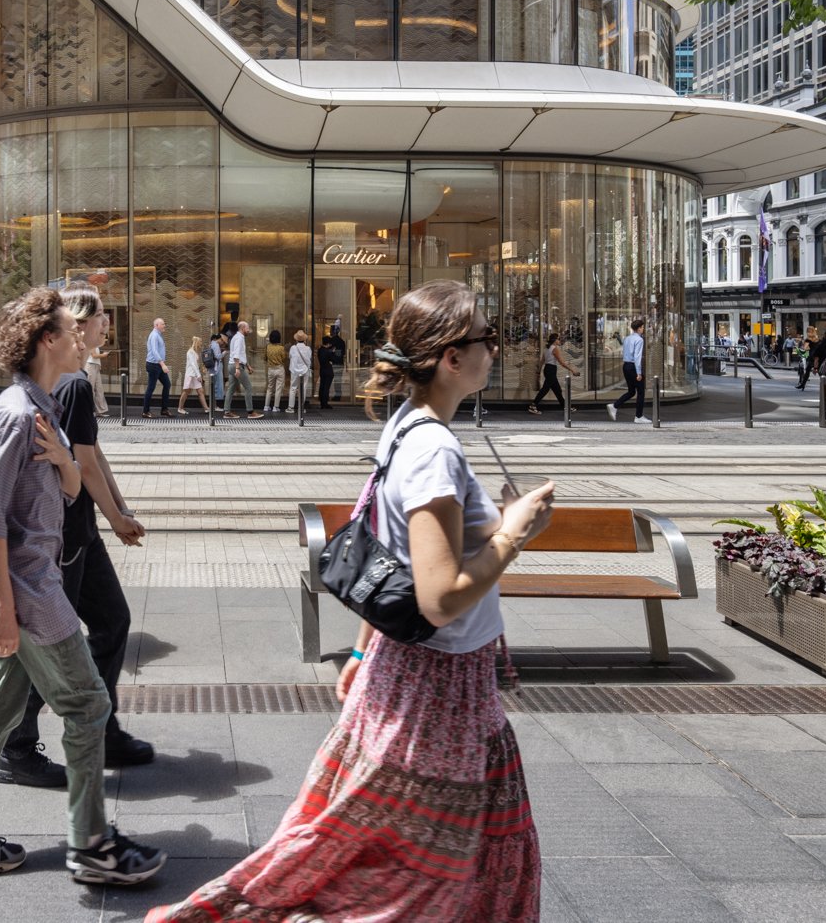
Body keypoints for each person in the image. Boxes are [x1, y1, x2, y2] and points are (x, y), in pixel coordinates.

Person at [147, 281, 552, 923]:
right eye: (487, 338)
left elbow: (385, 552)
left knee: (426, 866)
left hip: (426, 680)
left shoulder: (409, 428)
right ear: (451, 356)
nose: (495, 349)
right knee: (406, 885)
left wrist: (363, 651)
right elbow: (440, 597)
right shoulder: (432, 451)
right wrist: (512, 532)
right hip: (435, 697)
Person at [0, 287, 166, 888]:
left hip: (29, 589)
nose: (84, 337)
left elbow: (55, 502)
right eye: (72, 329)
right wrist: (5, 611)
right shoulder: (15, 414)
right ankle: (91, 846)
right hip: (30, 596)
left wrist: (64, 465)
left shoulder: (44, 408)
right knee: (88, 705)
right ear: (46, 340)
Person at [0, 285, 155, 788]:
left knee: (112, 620)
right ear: (75, 327)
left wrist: (119, 508)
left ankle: (100, 728)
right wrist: (116, 516)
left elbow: (89, 457)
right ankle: (20, 746)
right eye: (100, 316)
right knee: (54, 639)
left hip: (79, 530)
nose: (106, 324)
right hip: (67, 536)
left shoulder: (71, 383)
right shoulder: (73, 387)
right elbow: (83, 464)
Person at [609, 317, 647, 422]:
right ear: (638, 329)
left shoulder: (627, 338)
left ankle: (614, 406)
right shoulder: (639, 339)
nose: (643, 329)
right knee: (640, 392)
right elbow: (637, 357)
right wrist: (639, 373)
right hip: (633, 367)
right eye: (642, 327)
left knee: (631, 391)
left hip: (626, 366)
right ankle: (638, 417)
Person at [529, 332, 577, 413]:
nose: (560, 340)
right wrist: (572, 370)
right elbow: (562, 362)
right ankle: (533, 406)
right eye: (559, 339)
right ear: (555, 340)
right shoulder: (555, 349)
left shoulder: (546, 348)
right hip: (551, 369)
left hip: (547, 369)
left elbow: (542, 361)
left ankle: (566, 407)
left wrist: (539, 372)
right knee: (545, 389)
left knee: (557, 390)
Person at [226, 320, 260, 418]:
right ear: (243, 328)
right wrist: (237, 368)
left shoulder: (237, 337)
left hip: (233, 365)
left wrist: (248, 366)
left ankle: (227, 412)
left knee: (231, 389)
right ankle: (250, 412)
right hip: (236, 366)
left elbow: (241, 355)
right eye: (247, 328)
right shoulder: (239, 339)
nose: (248, 330)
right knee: (248, 387)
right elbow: (236, 355)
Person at [142, 317, 171, 418]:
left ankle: (164, 409)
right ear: (156, 325)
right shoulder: (154, 335)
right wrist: (162, 364)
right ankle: (145, 411)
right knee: (151, 388)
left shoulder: (158, 335)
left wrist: (161, 364)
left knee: (167, 384)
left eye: (164, 324)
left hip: (158, 364)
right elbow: (154, 351)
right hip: (154, 365)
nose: (164, 326)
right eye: (162, 324)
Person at [318, 321, 346, 409]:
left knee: (324, 383)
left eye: (331, 330)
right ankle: (337, 395)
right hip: (338, 362)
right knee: (337, 380)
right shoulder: (341, 341)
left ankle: (323, 398)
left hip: (330, 364)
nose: (330, 331)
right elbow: (342, 353)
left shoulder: (331, 342)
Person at [175, 335, 205, 416]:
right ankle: (180, 408)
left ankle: (206, 408)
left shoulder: (194, 352)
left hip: (194, 375)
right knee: (186, 392)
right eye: (200, 342)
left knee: (200, 391)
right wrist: (199, 375)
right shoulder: (190, 352)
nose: (201, 344)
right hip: (191, 375)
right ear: (197, 343)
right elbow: (193, 365)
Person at [287, 329, 314, 413]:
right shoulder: (308, 349)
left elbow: (290, 357)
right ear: (304, 339)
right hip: (305, 371)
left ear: (296, 339)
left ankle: (291, 407)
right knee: (303, 388)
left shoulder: (293, 348)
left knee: (293, 388)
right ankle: (301, 408)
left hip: (294, 370)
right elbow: (309, 358)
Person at [263, 327, 289, 413]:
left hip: (270, 369)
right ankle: (275, 406)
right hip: (279, 368)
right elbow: (284, 358)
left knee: (270, 388)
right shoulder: (281, 348)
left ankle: (266, 406)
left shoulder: (268, 347)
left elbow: (264, 358)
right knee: (278, 389)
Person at [203, 331, 225, 413]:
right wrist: (224, 353)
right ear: (217, 339)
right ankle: (215, 406)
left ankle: (214, 406)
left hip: (212, 368)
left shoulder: (211, 344)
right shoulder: (215, 345)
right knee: (216, 386)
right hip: (216, 368)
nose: (221, 341)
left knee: (213, 386)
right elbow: (218, 356)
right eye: (220, 339)